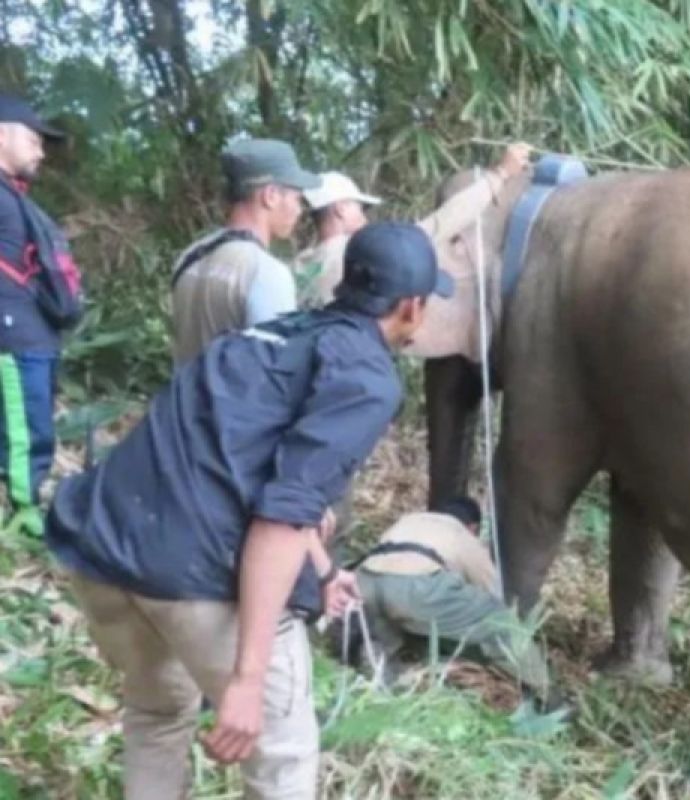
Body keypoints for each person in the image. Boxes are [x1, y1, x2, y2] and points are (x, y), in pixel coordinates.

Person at [46, 221, 452, 799]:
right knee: (283, 758)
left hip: (102, 547)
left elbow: (252, 470)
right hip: (189, 577)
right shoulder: (366, 377)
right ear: (412, 306)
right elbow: (280, 519)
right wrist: (246, 678)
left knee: (157, 714)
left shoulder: (273, 335)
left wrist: (324, 568)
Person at [343, 496, 550, 694]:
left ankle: (380, 665)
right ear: (473, 527)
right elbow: (490, 588)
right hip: (416, 590)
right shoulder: (461, 533)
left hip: (365, 581)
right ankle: (545, 691)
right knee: (501, 621)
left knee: (387, 623)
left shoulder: (411, 520)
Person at [0, 92, 83, 538]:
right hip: (13, 338)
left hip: (36, 335)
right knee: (21, 428)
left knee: (30, 423)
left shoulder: (15, 197)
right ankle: (23, 509)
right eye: (32, 139)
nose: (40, 150)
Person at [170, 138, 319, 366]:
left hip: (181, 400)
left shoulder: (190, 256)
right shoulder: (266, 273)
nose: (300, 210)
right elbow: (272, 375)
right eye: (297, 198)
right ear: (270, 196)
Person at [293, 171, 380, 308]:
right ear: (341, 209)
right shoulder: (352, 254)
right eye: (360, 209)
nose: (365, 218)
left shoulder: (301, 263)